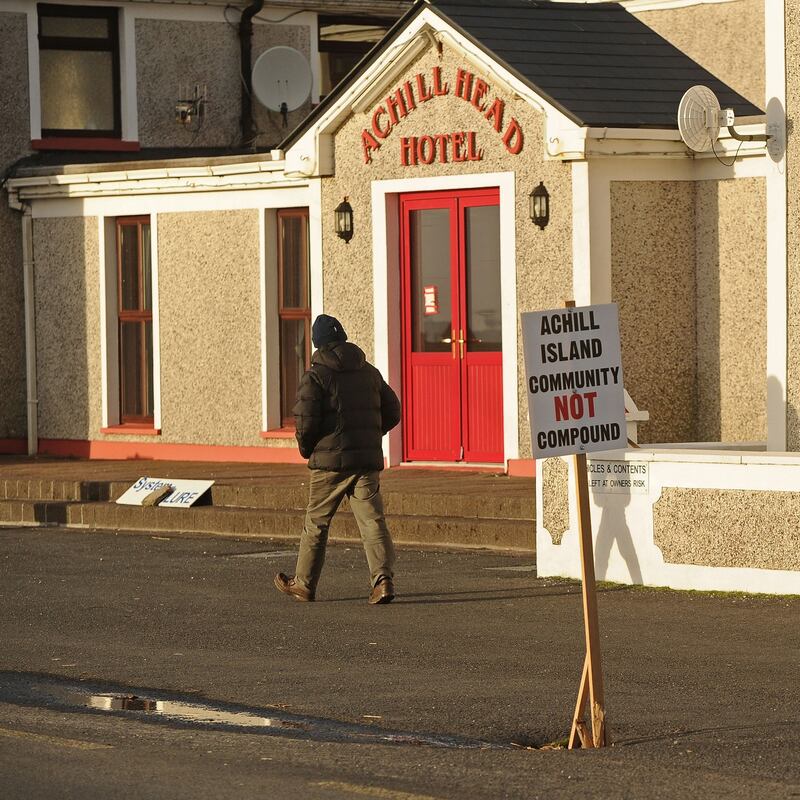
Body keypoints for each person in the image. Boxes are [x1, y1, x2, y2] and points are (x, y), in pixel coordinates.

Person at [274, 314, 401, 604]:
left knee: (316, 522)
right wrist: (369, 435)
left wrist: (308, 449)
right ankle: (382, 581)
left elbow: (305, 420)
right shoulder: (369, 371)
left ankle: (304, 584)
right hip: (365, 461)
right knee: (372, 521)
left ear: (318, 344)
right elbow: (393, 410)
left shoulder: (316, 375)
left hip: (328, 464)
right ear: (343, 338)